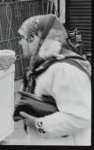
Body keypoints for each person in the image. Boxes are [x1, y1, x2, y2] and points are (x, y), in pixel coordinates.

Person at [15, 14, 91, 145]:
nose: (20, 42)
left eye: (23, 37)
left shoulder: (64, 69)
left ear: (36, 38)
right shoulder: (42, 65)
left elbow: (80, 116)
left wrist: (39, 124)